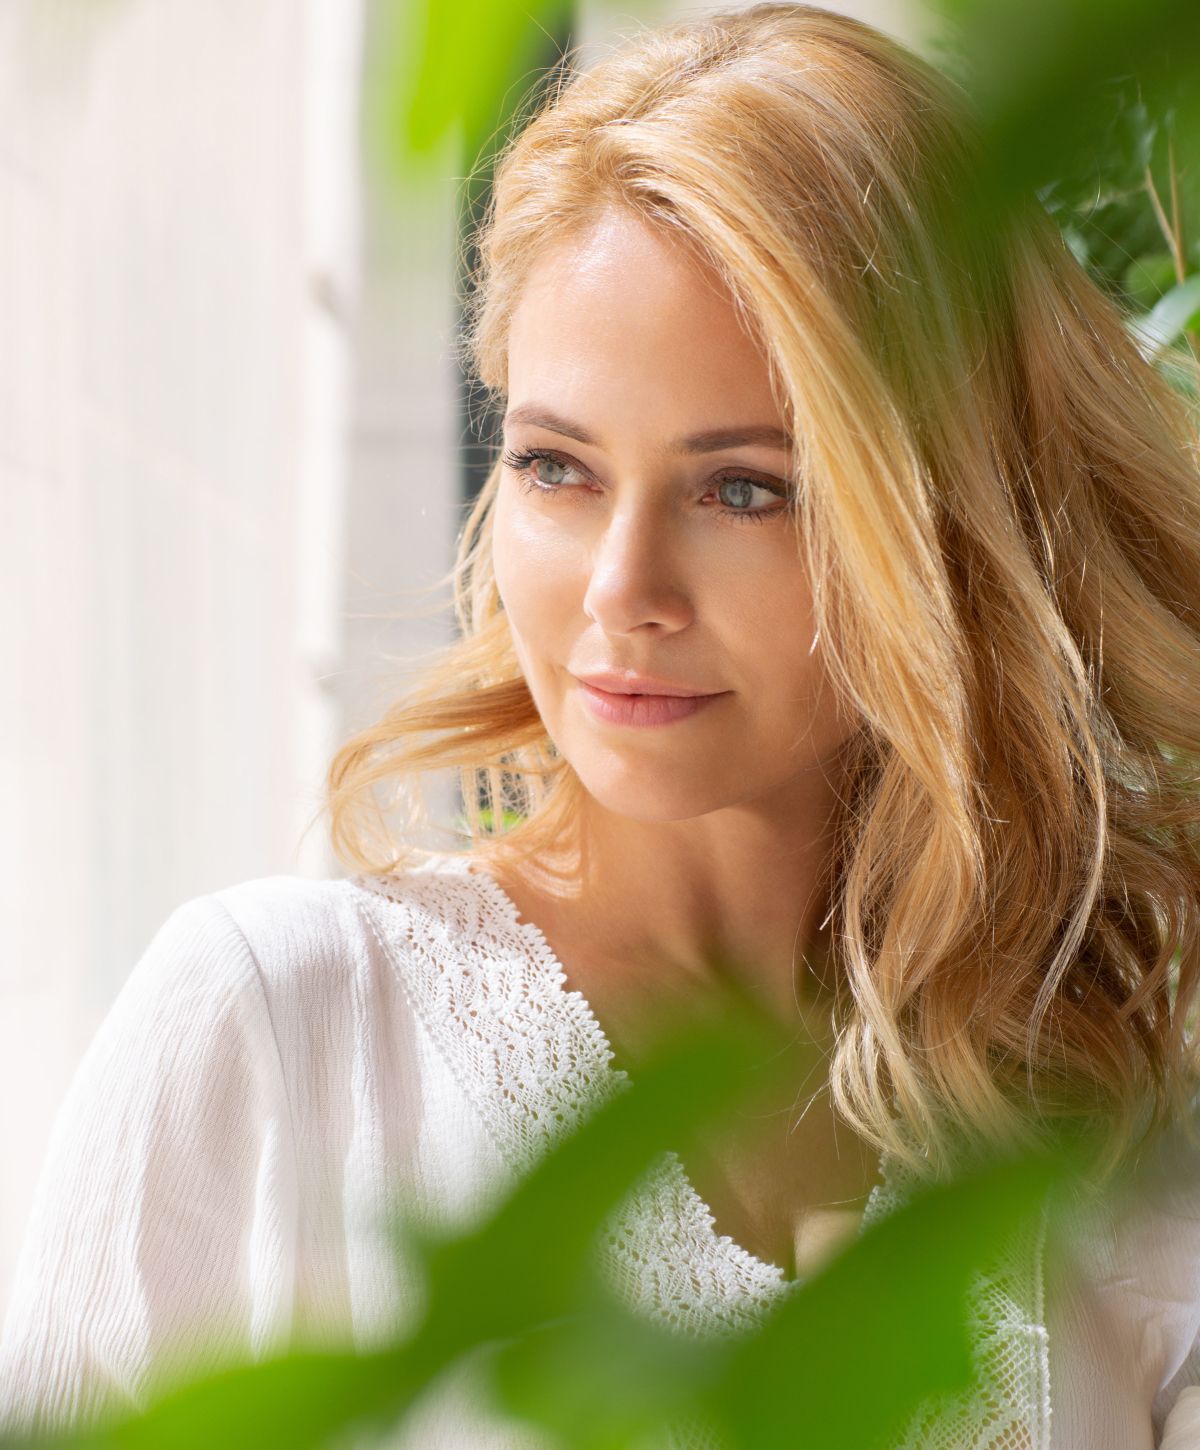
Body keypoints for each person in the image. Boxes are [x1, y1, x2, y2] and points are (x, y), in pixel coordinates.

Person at [3, 2, 1200, 1446]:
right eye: (557, 467)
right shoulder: (285, 1023)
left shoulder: (1091, 1152)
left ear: (942, 521)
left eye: (743, 488)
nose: (621, 590)